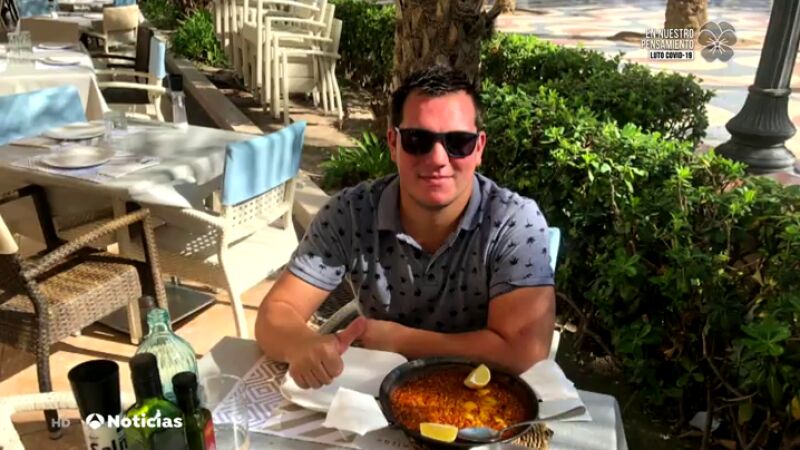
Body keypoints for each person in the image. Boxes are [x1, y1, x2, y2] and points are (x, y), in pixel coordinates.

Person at [255, 65, 555, 389]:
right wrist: (302, 344)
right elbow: (275, 313)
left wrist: (401, 341)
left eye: (458, 142)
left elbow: (524, 351)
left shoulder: (513, 223)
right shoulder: (351, 213)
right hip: (375, 393)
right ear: (393, 144)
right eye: (417, 140)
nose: (438, 158)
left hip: (478, 398)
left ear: (479, 148)